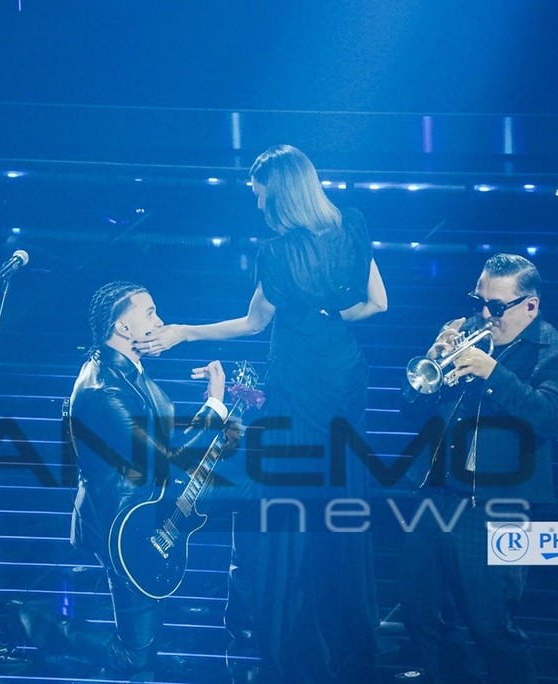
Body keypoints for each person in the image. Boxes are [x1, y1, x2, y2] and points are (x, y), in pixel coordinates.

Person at [134, 144, 388, 683]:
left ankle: (293, 650)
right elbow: (377, 304)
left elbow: (253, 324)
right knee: (339, 506)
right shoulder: (353, 223)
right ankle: (349, 645)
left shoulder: (277, 252)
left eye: (259, 193)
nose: (256, 203)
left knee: (286, 518)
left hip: (297, 380)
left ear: (280, 192)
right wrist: (326, 316)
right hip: (345, 375)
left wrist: (184, 332)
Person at [0, 280, 240, 678]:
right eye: (150, 313)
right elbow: (166, 460)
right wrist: (214, 405)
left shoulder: (127, 370)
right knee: (134, 656)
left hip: (144, 515)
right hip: (121, 524)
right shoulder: (103, 388)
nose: (160, 321)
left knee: (140, 645)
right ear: (123, 328)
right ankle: (10, 618)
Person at [398, 253, 558, 683]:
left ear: (530, 306)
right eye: (479, 300)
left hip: (496, 506)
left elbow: (549, 418)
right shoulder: (463, 332)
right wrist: (433, 363)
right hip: (435, 493)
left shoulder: (557, 349)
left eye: (496, 306)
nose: (484, 314)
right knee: (421, 614)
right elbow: (410, 409)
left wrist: (493, 373)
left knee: (490, 625)